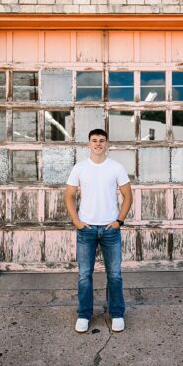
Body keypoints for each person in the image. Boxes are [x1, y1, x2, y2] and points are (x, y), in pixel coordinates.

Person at [65, 129, 132, 333]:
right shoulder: (80, 168)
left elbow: (128, 196)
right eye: (94, 141)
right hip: (86, 229)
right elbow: (69, 196)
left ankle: (117, 314)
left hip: (110, 230)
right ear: (88, 144)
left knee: (115, 274)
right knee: (85, 275)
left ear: (107, 144)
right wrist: (76, 221)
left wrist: (119, 221)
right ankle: (84, 315)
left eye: (102, 141)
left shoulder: (116, 167)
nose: (98, 144)